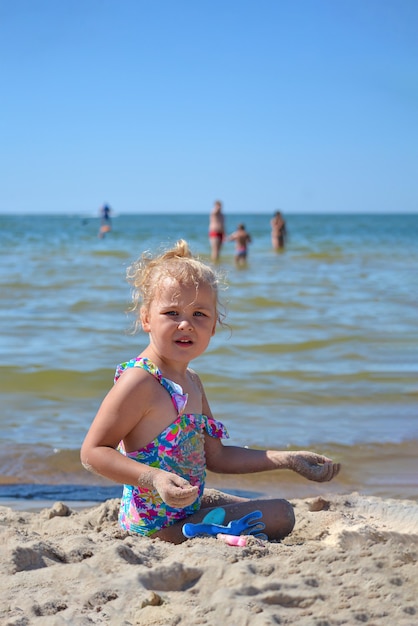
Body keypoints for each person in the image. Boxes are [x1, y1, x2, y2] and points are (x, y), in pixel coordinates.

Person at [80, 240, 340, 544]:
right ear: (147, 318)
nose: (186, 324)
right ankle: (192, 534)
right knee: (280, 514)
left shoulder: (193, 381)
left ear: (214, 326)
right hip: (154, 524)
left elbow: (216, 457)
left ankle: (206, 528)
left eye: (200, 314)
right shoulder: (140, 381)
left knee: (274, 509)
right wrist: (155, 477)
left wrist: (288, 459)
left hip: (187, 505)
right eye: (172, 312)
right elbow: (93, 452)